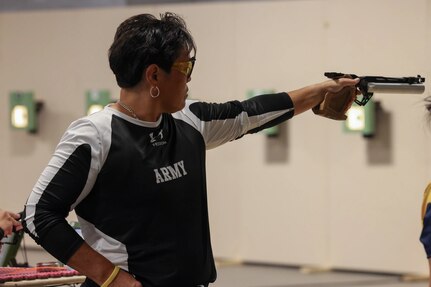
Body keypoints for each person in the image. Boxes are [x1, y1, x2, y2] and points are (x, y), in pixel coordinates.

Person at [23, 12, 359, 287]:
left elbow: (250, 112)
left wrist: (322, 90)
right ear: (154, 75)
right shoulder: (95, 135)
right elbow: (39, 214)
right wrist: (111, 278)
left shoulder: (188, 120)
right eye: (185, 68)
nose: (188, 79)